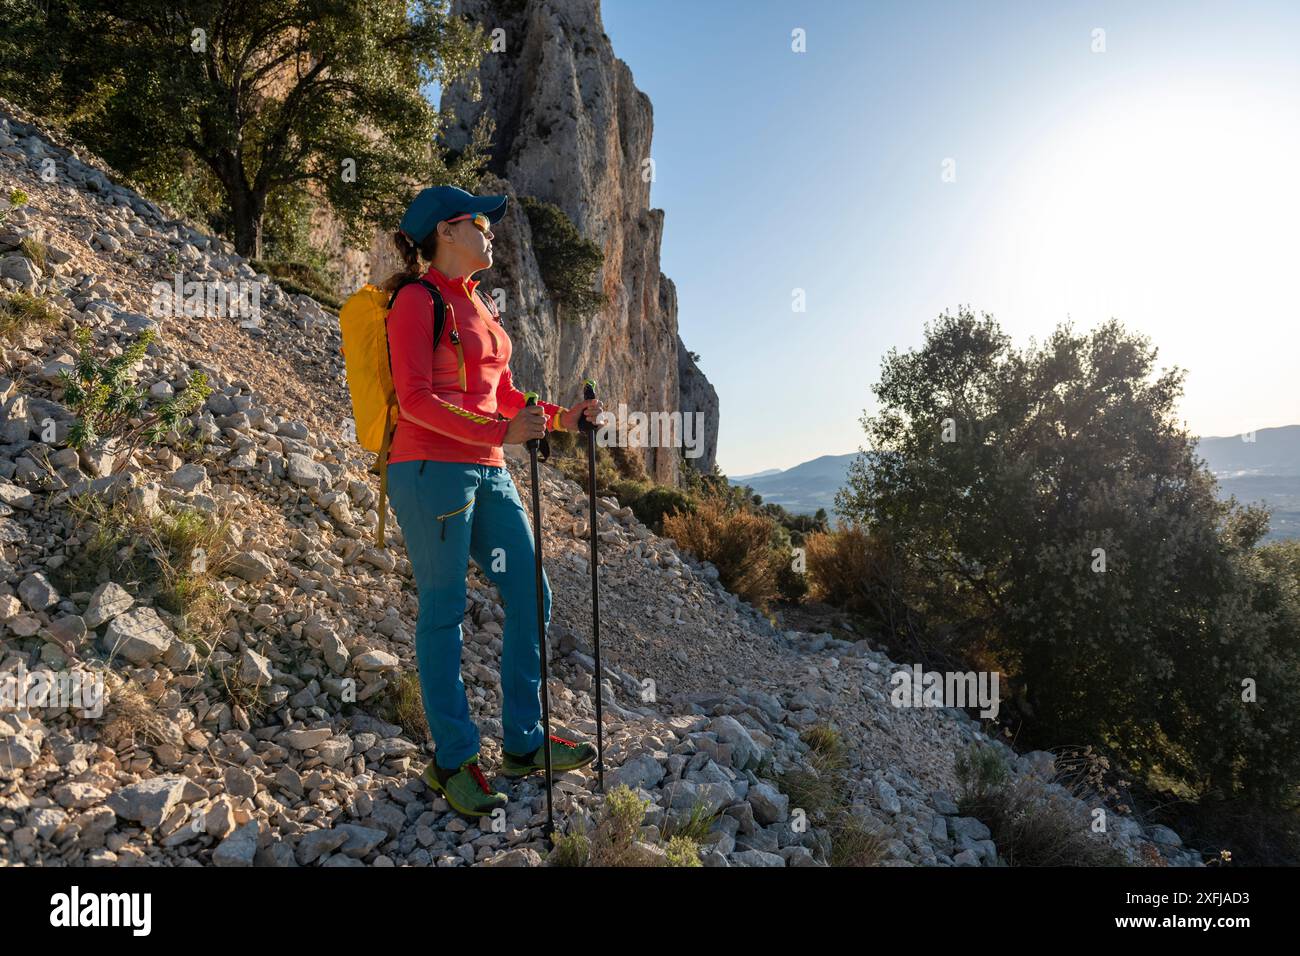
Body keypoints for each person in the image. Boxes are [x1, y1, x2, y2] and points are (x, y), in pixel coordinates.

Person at [381, 185, 604, 817]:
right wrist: (498, 433)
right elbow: (416, 398)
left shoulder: (476, 303)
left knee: (532, 592)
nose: (491, 230)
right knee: (445, 609)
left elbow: (502, 392)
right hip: (431, 471)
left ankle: (524, 743)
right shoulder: (415, 301)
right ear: (445, 233)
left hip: (488, 469)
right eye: (479, 221)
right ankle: (452, 759)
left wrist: (562, 418)